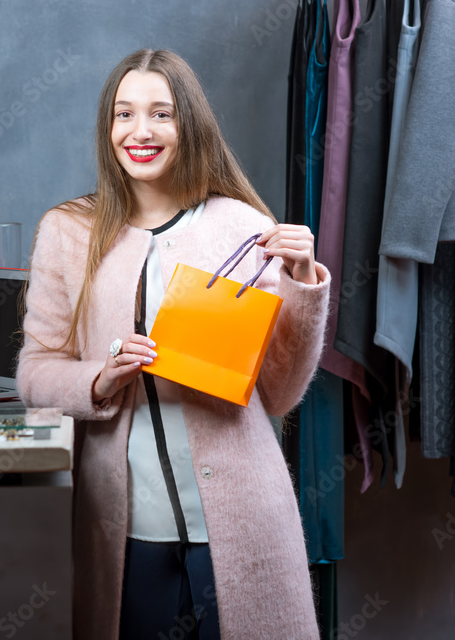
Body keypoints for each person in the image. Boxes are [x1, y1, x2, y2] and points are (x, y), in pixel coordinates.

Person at [17, 49, 329, 639]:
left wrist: (303, 286)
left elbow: (280, 393)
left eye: (161, 113)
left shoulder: (242, 229)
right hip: (128, 527)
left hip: (242, 523)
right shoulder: (67, 231)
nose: (141, 131)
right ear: (107, 128)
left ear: (189, 124)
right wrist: (99, 379)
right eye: (124, 113)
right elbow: (34, 371)